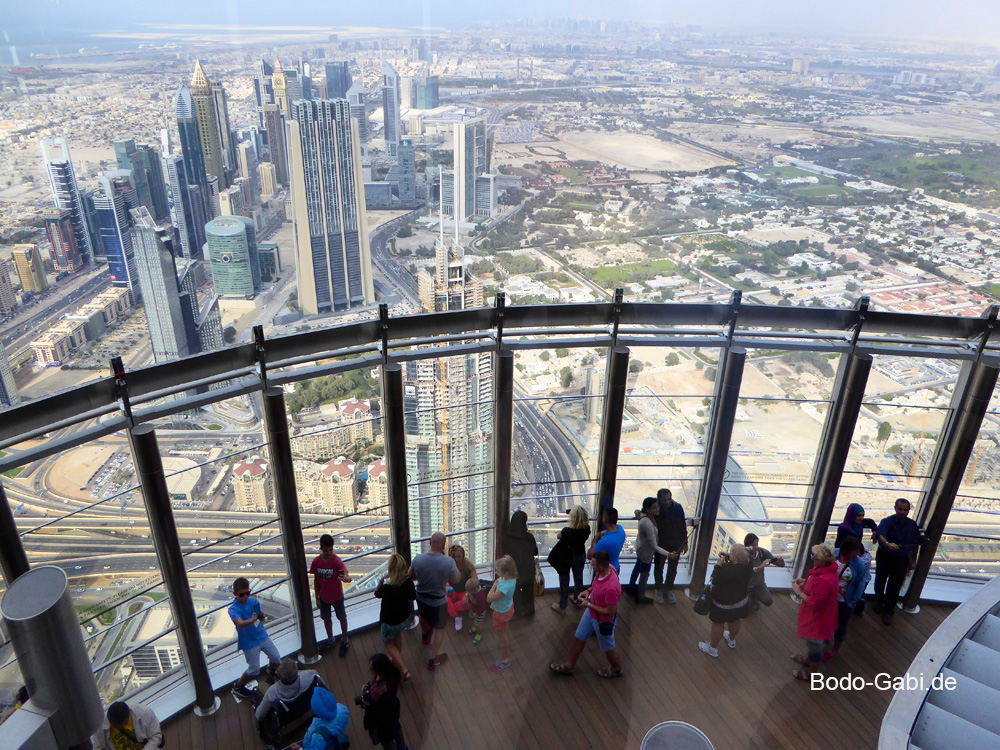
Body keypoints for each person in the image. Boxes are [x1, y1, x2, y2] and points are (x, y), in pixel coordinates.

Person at [548, 550, 623, 679]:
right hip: (591, 613)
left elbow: (611, 611)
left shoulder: (611, 588)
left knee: (608, 648)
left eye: (593, 565)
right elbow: (596, 583)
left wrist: (588, 605)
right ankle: (569, 666)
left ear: (601, 567)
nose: (591, 566)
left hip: (602, 621)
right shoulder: (607, 569)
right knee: (579, 637)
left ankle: (616, 669)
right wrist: (588, 591)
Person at [409, 532, 461, 671]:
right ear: (444, 545)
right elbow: (456, 579)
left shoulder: (418, 559)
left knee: (423, 616)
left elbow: (411, 575)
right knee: (439, 629)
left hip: (421, 597)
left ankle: (425, 634)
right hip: (439, 601)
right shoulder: (448, 561)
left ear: (430, 543)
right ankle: (432, 659)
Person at [874, 498, 928, 626]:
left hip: (901, 559)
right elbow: (880, 536)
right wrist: (887, 544)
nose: (902, 512)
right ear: (895, 508)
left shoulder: (912, 525)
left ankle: (888, 611)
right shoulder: (887, 521)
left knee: (895, 585)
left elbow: (915, 544)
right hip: (885, 556)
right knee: (880, 581)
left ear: (909, 510)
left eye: (905, 509)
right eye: (900, 509)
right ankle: (879, 601)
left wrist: (913, 560)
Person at [791, 544, 839, 682]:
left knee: (814, 647)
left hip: (818, 621)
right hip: (819, 617)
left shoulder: (824, 580)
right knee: (812, 645)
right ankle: (809, 660)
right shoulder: (826, 572)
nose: (812, 559)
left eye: (815, 557)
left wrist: (799, 592)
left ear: (822, 561)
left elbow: (814, 602)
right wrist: (806, 582)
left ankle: (812, 673)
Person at [229, 576, 281, 699]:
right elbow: (240, 624)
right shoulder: (232, 610)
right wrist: (253, 620)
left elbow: (259, 619)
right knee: (254, 670)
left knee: (276, 657)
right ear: (235, 594)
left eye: (248, 593)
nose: (246, 596)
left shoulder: (254, 602)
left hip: (261, 635)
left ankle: (271, 670)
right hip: (248, 643)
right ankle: (238, 686)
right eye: (242, 594)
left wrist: (260, 616)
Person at [698, 544, 753, 658]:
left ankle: (712, 648)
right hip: (740, 601)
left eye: (731, 553)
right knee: (734, 620)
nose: (729, 554)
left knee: (718, 624)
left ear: (737, 557)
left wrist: (718, 566)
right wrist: (730, 557)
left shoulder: (725, 570)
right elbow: (737, 564)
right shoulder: (748, 565)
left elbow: (714, 579)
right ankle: (731, 640)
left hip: (722, 603)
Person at [374, 553, 417, 681]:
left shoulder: (387, 587)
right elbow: (412, 597)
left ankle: (403, 669)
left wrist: (382, 580)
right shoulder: (407, 581)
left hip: (389, 621)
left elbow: (377, 593)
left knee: (388, 643)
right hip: (404, 618)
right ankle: (396, 657)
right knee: (397, 636)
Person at [309, 534, 353, 657]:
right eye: (326, 550)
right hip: (324, 598)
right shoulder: (316, 562)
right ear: (321, 548)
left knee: (342, 617)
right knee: (326, 619)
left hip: (337, 597)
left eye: (331, 550)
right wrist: (317, 597)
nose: (328, 552)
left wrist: (347, 578)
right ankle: (330, 639)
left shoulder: (336, 561)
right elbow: (316, 581)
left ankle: (344, 638)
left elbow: (343, 573)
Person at [824, 537, 866, 662]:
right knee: (825, 619)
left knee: (841, 625)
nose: (857, 554)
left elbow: (860, 582)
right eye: (855, 551)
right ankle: (825, 637)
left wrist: (854, 598)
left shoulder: (859, 564)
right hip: (828, 597)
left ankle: (835, 649)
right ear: (848, 551)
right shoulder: (832, 554)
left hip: (843, 600)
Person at [835, 503, 878, 615]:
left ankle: (856, 600)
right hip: (851, 557)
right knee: (854, 579)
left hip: (858, 555)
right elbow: (839, 545)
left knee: (862, 578)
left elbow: (871, 522)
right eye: (858, 515)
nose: (861, 518)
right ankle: (852, 601)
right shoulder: (844, 529)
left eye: (862, 515)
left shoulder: (860, 523)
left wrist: (874, 531)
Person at [358, 653, 408, 750]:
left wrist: (368, 704)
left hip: (384, 719)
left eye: (373, 668)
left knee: (386, 739)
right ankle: (403, 748)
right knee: (396, 728)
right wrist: (368, 686)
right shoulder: (389, 675)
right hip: (392, 714)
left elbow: (382, 708)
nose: (371, 670)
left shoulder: (385, 689)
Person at [548, 505, 591, 614]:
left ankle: (562, 606)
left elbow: (559, 536)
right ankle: (578, 599)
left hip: (567, 557)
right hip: (580, 555)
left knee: (564, 581)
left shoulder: (567, 531)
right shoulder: (587, 529)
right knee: (578, 578)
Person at [629, 497, 672, 605]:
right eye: (654, 508)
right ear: (647, 509)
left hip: (641, 549)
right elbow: (654, 546)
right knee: (644, 574)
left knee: (637, 569)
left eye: (657, 506)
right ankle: (640, 596)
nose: (657, 509)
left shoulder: (645, 517)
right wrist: (669, 554)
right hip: (646, 552)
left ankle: (631, 588)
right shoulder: (647, 523)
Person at [255, 658, 323, 722]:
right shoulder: (310, 675)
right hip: (305, 704)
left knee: (261, 685)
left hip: (286, 714)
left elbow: (259, 716)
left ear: (281, 677)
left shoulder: (272, 692)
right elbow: (314, 674)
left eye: (277, 671)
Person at [653, 488, 687, 604]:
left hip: (675, 543)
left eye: (669, 499)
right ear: (659, 500)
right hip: (660, 544)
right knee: (659, 568)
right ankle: (658, 589)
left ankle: (668, 589)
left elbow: (683, 526)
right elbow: (645, 512)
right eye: (664, 500)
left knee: (673, 569)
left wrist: (684, 543)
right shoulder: (655, 508)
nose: (667, 502)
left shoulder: (678, 507)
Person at [502, 510, 538, 618]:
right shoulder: (529, 537)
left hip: (515, 569)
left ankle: (517, 611)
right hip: (528, 568)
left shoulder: (507, 538)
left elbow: (505, 552)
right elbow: (535, 552)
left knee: (515, 591)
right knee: (528, 590)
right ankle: (529, 611)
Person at [487, 554, 518, 671]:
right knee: (504, 631)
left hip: (501, 613)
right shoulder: (510, 578)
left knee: (501, 637)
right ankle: (506, 645)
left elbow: (489, 598)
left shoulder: (504, 586)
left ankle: (505, 659)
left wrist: (493, 586)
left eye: (498, 570)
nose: (496, 572)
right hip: (507, 607)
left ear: (505, 572)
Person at [93, 701, 162, 750]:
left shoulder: (144, 713)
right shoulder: (100, 726)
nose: (118, 727)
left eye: (121, 725)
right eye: (115, 725)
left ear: (128, 715)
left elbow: (156, 736)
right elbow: (98, 747)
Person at [744, 532, 785, 610]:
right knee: (745, 609)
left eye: (756, 544)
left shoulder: (762, 552)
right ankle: (751, 599)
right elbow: (753, 570)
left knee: (768, 601)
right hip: (745, 586)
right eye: (753, 545)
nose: (756, 547)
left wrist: (780, 561)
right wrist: (762, 565)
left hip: (759, 585)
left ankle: (755, 598)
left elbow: (780, 564)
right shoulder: (742, 554)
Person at [446, 544, 478, 631]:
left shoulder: (468, 566)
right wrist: (447, 588)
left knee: (467, 603)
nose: (456, 559)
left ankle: (451, 610)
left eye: (459, 556)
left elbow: (475, 582)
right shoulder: (448, 566)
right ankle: (457, 616)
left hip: (465, 591)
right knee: (443, 595)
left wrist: (467, 595)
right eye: (454, 557)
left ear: (463, 555)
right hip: (453, 591)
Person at [589, 506, 626, 575]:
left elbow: (589, 555)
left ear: (604, 519)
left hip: (604, 572)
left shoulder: (604, 542)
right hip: (616, 568)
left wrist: (595, 539)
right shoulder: (621, 530)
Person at [464, 577, 488, 644]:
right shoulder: (472, 591)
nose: (469, 592)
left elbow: (482, 607)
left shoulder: (480, 596)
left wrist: (477, 613)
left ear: (475, 589)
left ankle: (478, 634)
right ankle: (475, 626)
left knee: (478, 623)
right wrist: (466, 596)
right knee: (474, 620)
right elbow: (469, 593)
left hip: (479, 612)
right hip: (473, 608)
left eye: (470, 591)